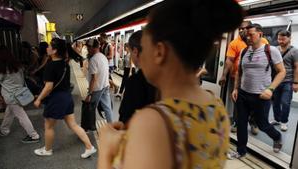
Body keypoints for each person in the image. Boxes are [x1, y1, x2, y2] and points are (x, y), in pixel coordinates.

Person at [97, 0, 243, 168]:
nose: (140, 58)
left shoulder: (152, 122)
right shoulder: (216, 107)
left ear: (159, 52)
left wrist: (106, 150)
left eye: (144, 48)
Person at [229, 24, 286, 159]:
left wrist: (270, 89)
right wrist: (236, 88)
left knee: (262, 124)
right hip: (243, 94)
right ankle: (241, 151)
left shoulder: (271, 50)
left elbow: (282, 72)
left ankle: (277, 137)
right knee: (241, 123)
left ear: (260, 34)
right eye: (246, 34)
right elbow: (239, 72)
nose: (248, 37)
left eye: (251, 34)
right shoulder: (244, 51)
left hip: (261, 96)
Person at [33, 38, 96, 158]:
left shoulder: (51, 65)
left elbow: (48, 87)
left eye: (50, 46)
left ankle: (47, 150)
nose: (47, 48)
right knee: (73, 125)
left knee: (49, 126)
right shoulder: (65, 63)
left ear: (55, 50)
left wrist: (39, 99)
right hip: (67, 97)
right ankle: (90, 147)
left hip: (56, 99)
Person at [219, 21, 269, 134]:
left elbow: (268, 59)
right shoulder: (234, 43)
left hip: (257, 78)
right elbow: (229, 60)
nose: (242, 30)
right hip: (238, 77)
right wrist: (224, 75)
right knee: (239, 101)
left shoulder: (263, 41)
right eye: (240, 28)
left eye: (245, 28)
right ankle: (237, 122)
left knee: (256, 102)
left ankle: (253, 122)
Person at [0, 45, 40, 143]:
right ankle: (4, 130)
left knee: (21, 116)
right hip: (20, 94)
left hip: (11, 96)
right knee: (9, 113)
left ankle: (33, 135)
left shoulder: (2, 69)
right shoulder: (17, 66)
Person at [118, 30, 158, 124]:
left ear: (135, 51)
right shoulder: (161, 76)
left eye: (131, 52)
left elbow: (125, 118)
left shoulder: (135, 81)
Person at [270, 30, 298, 131]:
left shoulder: (294, 51)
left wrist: (296, 83)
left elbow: (296, 67)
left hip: (288, 81)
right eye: (279, 39)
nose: (280, 41)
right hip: (276, 80)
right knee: (275, 102)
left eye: (283, 39)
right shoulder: (275, 49)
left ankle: (284, 121)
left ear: (289, 38)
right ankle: (277, 119)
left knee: (285, 102)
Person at [85, 39, 113, 122]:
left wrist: (89, 93)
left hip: (97, 88)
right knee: (107, 108)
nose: (87, 50)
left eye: (88, 48)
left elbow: (94, 78)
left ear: (92, 48)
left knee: (91, 108)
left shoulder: (93, 60)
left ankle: (89, 127)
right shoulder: (103, 56)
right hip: (105, 85)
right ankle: (111, 126)